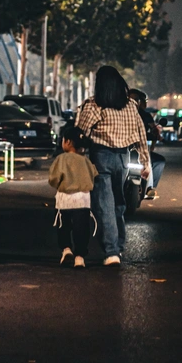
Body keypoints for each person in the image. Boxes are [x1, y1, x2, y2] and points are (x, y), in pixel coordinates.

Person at [76, 66, 150, 266]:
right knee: (118, 202)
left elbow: (81, 133)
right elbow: (141, 135)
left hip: (101, 156)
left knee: (104, 204)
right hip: (123, 159)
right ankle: (118, 245)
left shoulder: (94, 105)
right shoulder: (130, 106)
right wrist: (145, 162)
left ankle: (111, 251)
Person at [48, 125, 97, 268]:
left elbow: (54, 179)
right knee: (81, 228)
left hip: (65, 199)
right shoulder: (85, 160)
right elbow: (94, 175)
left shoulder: (61, 159)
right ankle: (80, 257)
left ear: (68, 142)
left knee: (64, 226)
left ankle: (66, 249)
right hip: (83, 199)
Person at [129, 89, 166, 200]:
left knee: (155, 160)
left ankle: (150, 188)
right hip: (127, 149)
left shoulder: (143, 115)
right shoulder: (142, 115)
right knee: (153, 161)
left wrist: (156, 137)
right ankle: (150, 188)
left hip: (127, 149)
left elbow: (154, 131)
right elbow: (154, 131)